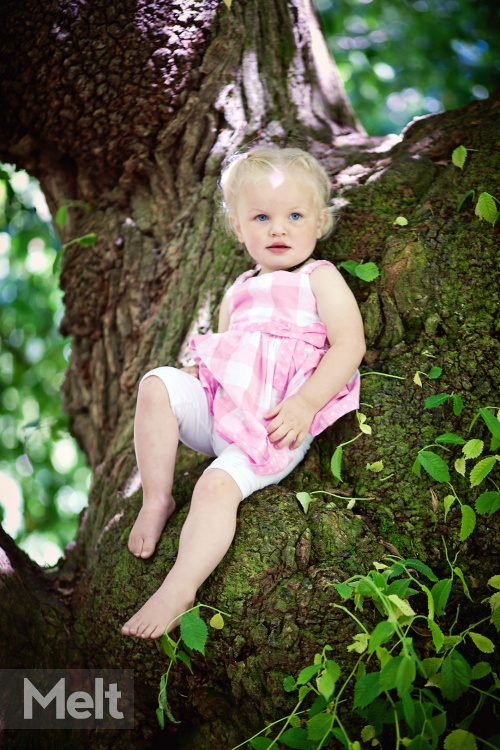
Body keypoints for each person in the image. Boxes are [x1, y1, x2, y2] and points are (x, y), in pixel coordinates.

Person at [121, 146, 366, 640]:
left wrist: (305, 403)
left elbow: (350, 345)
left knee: (214, 487)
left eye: (294, 215)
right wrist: (192, 375)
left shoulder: (320, 278)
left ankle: (179, 587)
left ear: (319, 223)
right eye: (262, 216)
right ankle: (157, 498)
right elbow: (227, 356)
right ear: (238, 227)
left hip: (274, 427)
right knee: (157, 384)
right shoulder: (238, 290)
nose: (279, 228)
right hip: (222, 413)